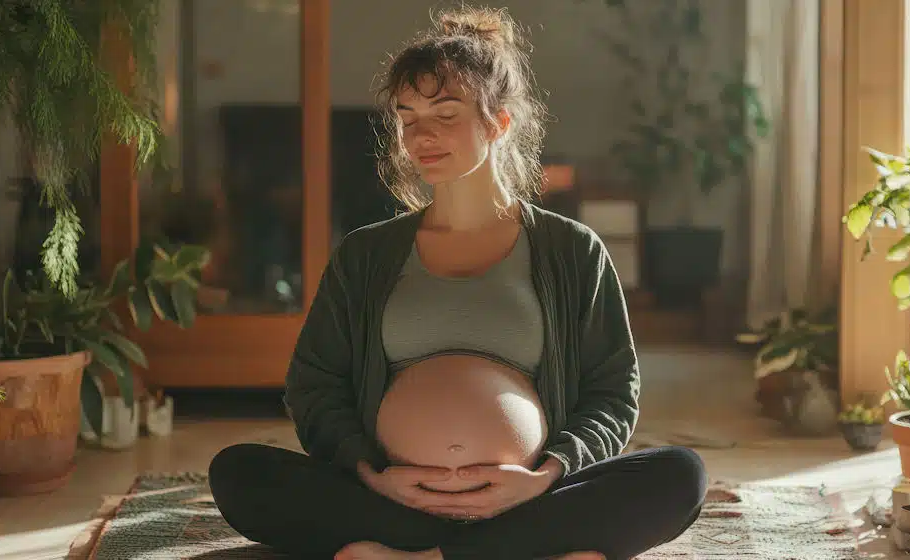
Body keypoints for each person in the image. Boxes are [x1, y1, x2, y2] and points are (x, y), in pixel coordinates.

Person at [209, 6, 707, 559]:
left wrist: (543, 476)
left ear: (499, 123)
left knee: (681, 475)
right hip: (395, 500)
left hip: (530, 496)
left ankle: (422, 555)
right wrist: (373, 474)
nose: (421, 134)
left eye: (445, 114)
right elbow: (314, 384)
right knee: (238, 472)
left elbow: (612, 391)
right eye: (407, 117)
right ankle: (507, 553)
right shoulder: (365, 255)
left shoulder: (572, 250)